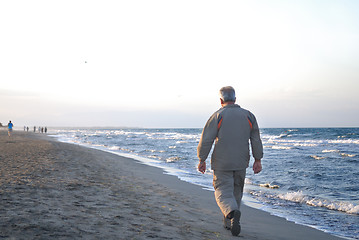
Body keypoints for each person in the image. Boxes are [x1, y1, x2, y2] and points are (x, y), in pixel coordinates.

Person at [197, 86, 263, 236]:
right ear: (235, 99)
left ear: (221, 100)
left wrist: (202, 159)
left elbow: (206, 140)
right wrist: (258, 159)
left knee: (222, 191)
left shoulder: (217, 116)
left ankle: (232, 213)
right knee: (236, 191)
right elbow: (256, 140)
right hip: (241, 162)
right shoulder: (249, 116)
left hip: (222, 162)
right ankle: (229, 222)